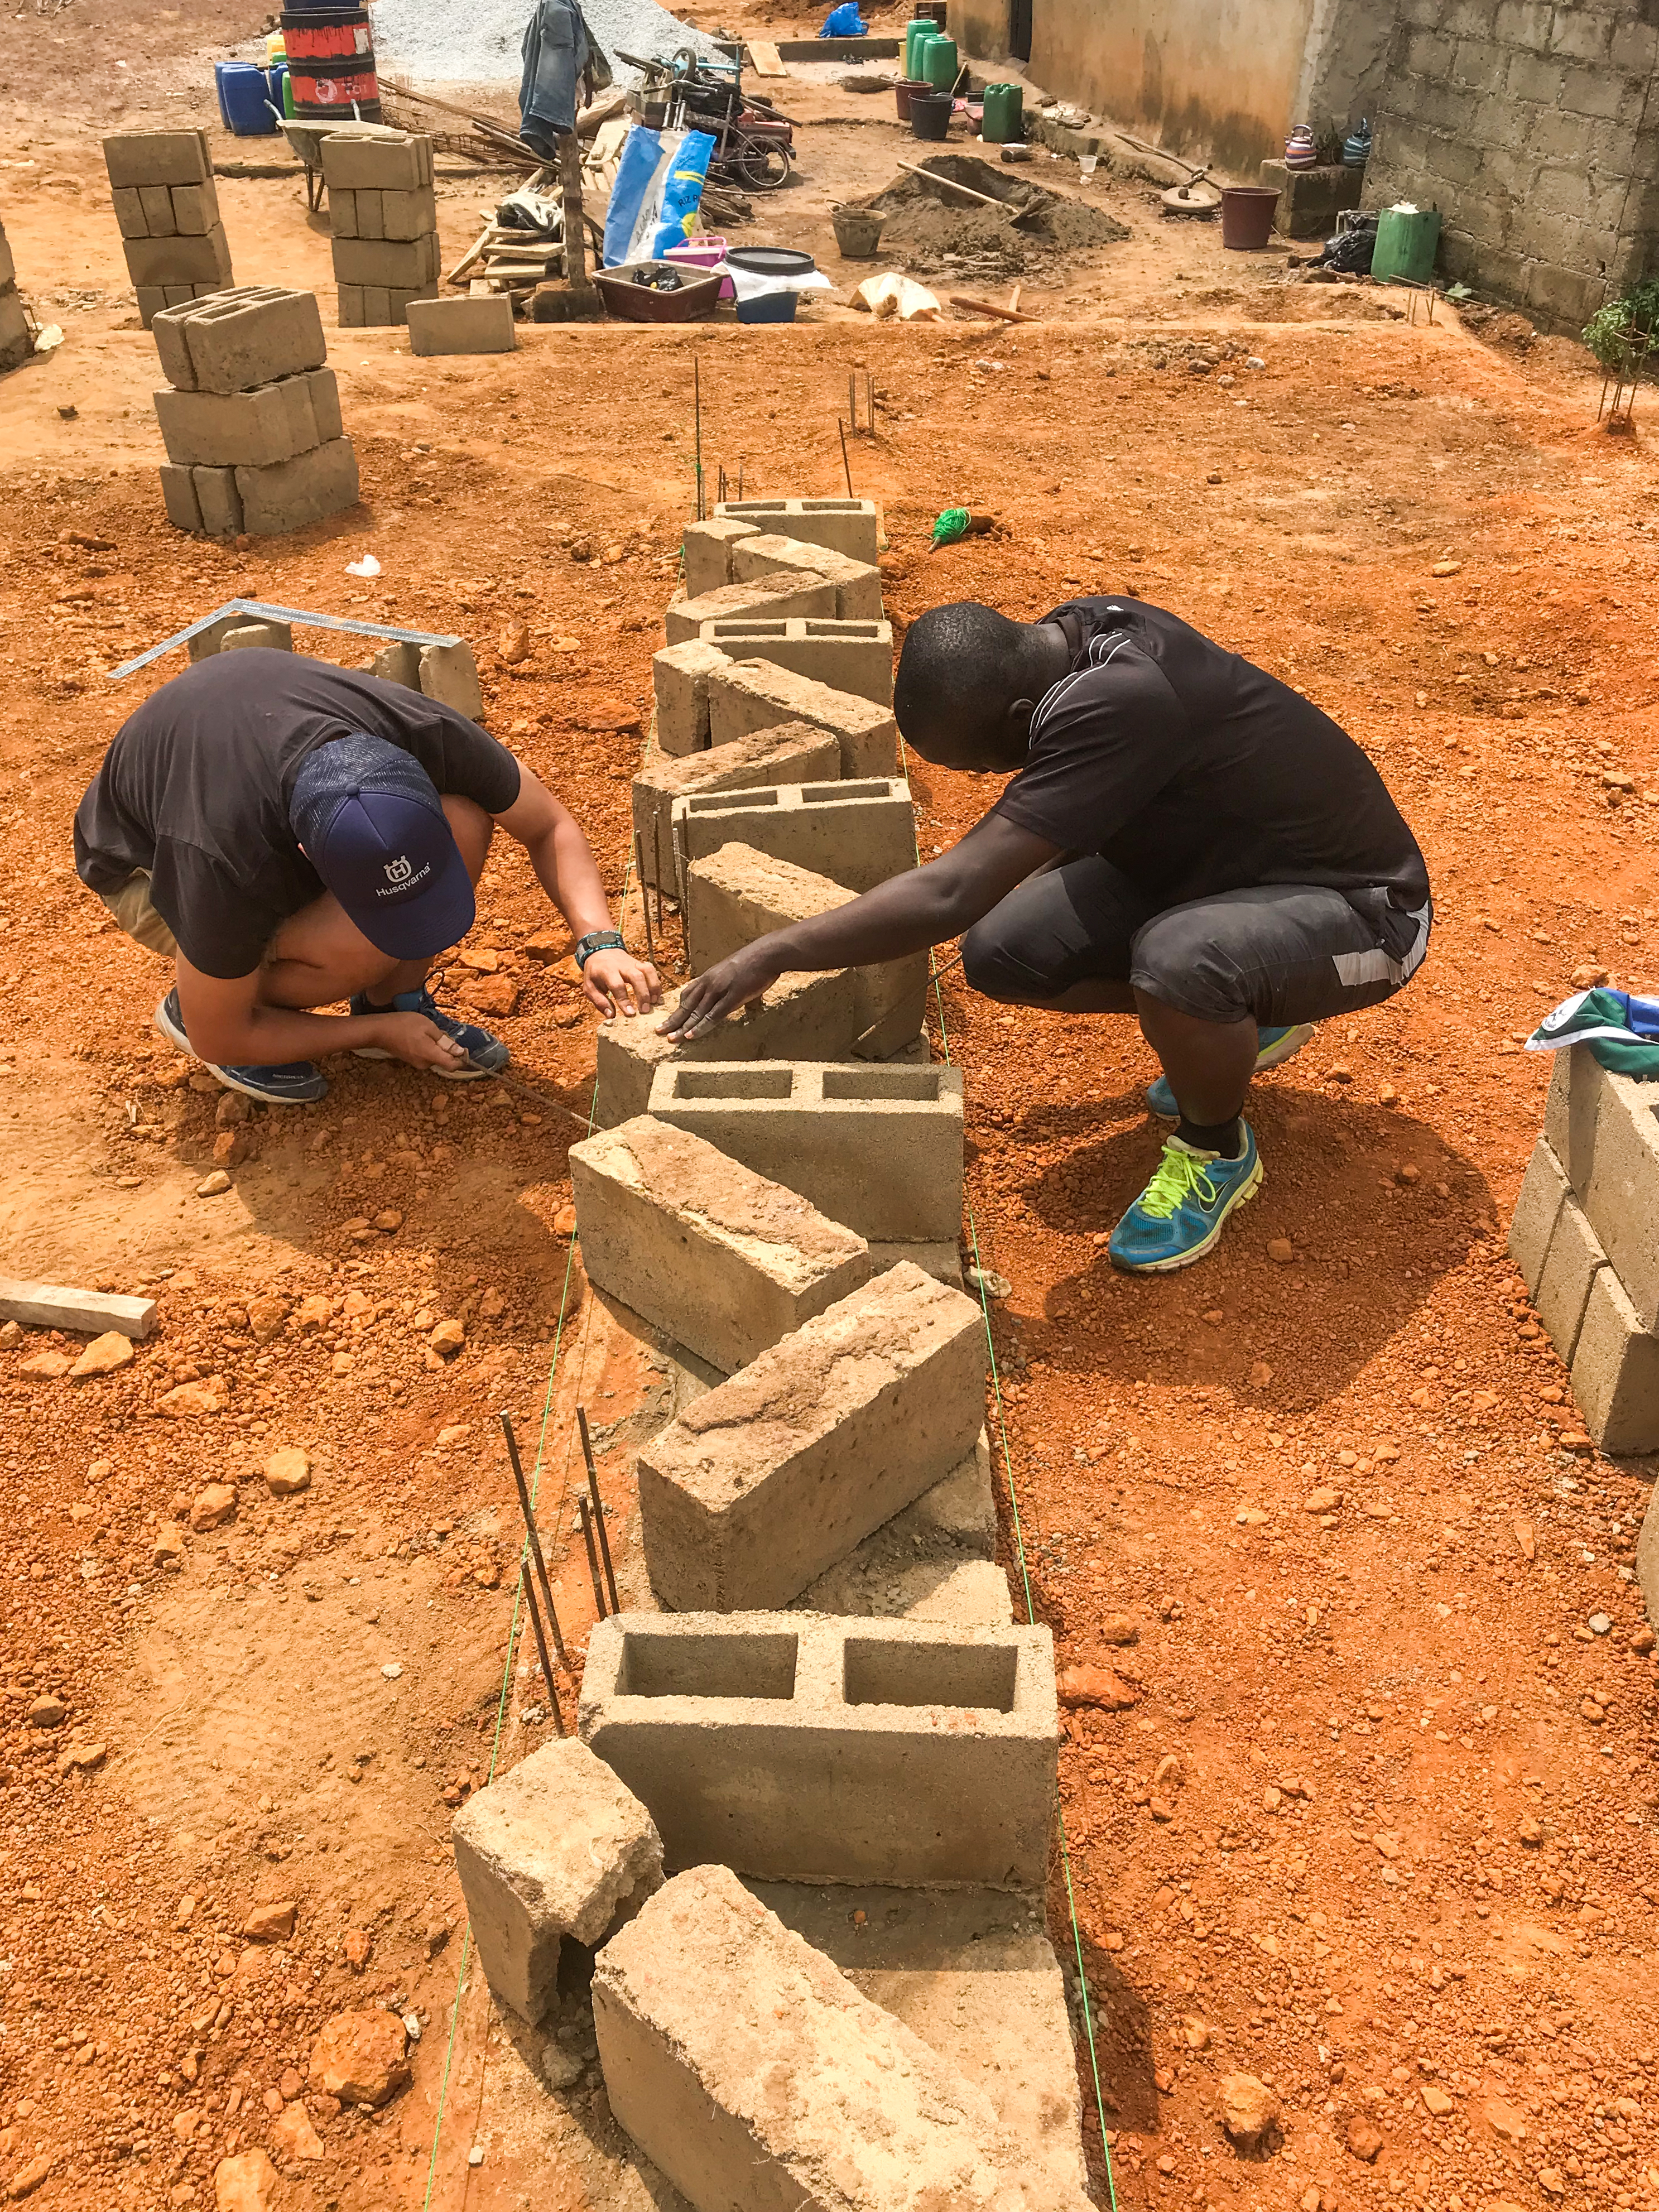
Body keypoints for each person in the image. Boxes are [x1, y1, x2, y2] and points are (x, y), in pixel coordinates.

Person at [662, 595, 1432, 1273]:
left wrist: (775, 950)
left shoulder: (1125, 701)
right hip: (1219, 876)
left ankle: (1216, 1147)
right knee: (1008, 949)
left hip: (1362, 911)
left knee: (1182, 963)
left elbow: (952, 891)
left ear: (1021, 722)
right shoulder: (1076, 636)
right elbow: (1006, 874)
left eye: (985, 765)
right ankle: (1241, 1015)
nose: (994, 781)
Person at [74, 649, 660, 1104]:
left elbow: (549, 824)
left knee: (466, 819)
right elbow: (218, 1035)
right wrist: (372, 1038)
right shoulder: (221, 858)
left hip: (262, 765)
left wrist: (598, 940)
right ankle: (201, 994)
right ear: (307, 857)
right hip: (145, 870)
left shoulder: (423, 730)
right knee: (345, 956)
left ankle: (390, 1001)